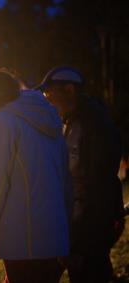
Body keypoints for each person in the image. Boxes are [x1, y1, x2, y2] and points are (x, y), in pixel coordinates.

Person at [0, 70, 72, 283]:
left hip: (24, 241)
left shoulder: (1, 123)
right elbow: (66, 183)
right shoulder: (50, 121)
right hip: (56, 238)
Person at [39, 66, 125, 283]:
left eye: (51, 96)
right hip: (80, 226)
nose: (48, 102)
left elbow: (96, 187)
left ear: (69, 90)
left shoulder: (95, 126)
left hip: (90, 229)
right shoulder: (73, 122)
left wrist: (77, 243)